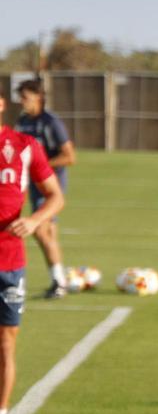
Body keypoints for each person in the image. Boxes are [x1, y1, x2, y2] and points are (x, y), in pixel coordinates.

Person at [0, 93, 65, 414]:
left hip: (9, 261)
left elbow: (55, 196)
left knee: (6, 346)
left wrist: (36, 219)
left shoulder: (24, 146)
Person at [15, 79, 74, 299]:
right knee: (49, 234)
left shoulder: (51, 122)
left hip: (50, 186)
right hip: (31, 184)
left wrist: (40, 166)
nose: (22, 102)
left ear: (38, 97)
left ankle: (60, 282)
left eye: (25, 97)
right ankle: (58, 279)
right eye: (20, 97)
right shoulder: (22, 121)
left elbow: (69, 156)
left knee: (40, 230)